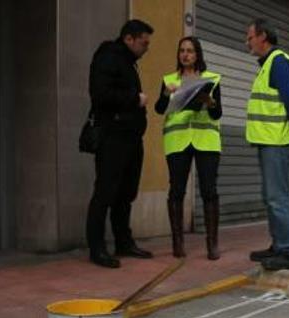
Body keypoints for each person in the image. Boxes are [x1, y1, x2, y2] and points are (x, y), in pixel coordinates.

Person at [86, 19, 155, 269]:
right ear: (129, 38)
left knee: (126, 192)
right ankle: (96, 248)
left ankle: (123, 242)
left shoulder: (128, 61)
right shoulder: (108, 57)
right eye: (143, 43)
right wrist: (134, 98)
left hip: (131, 137)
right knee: (105, 192)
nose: (147, 48)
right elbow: (100, 94)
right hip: (113, 136)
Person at [244, 18, 289, 271]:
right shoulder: (269, 63)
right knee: (270, 197)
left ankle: (288, 251)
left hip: (277, 142)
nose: (247, 41)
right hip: (268, 141)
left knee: (278, 197)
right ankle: (278, 245)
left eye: (250, 37)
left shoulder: (278, 61)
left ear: (263, 37)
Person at [154, 36, 223, 260]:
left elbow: (217, 113)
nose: (185, 55)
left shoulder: (211, 79)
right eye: (182, 51)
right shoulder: (169, 80)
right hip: (178, 140)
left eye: (190, 51)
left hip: (206, 141)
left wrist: (210, 102)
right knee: (176, 190)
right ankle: (177, 242)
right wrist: (166, 94)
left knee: (209, 190)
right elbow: (159, 108)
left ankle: (212, 244)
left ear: (198, 54)